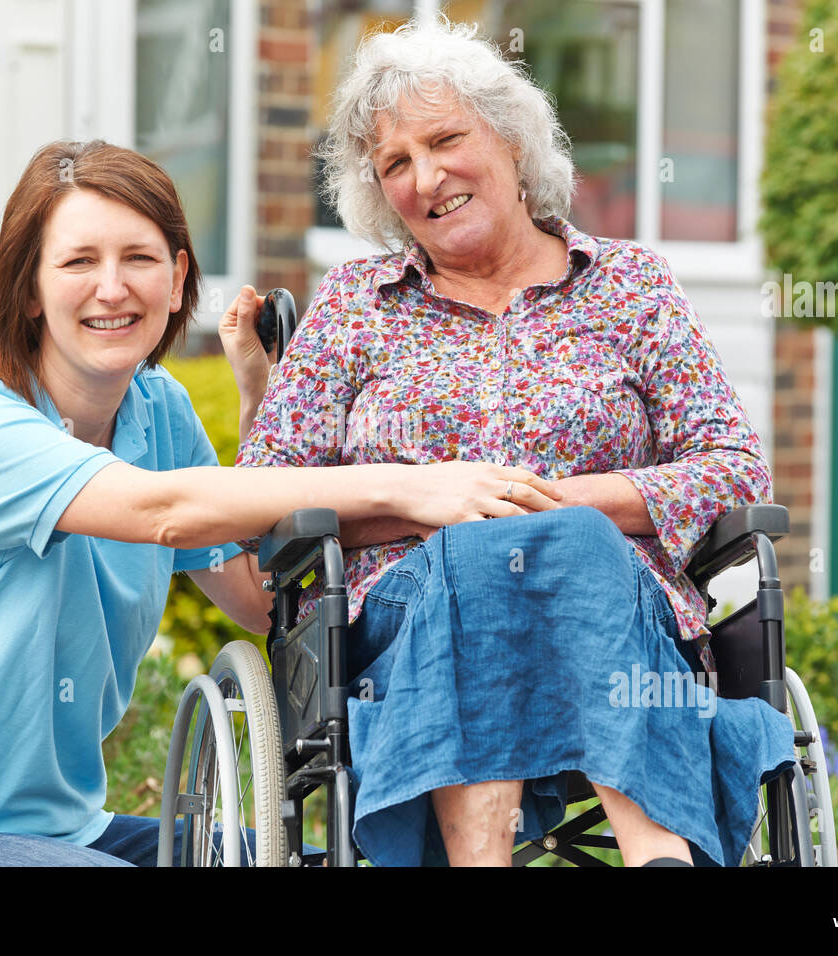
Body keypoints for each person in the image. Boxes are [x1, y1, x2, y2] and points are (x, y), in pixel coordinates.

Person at [0, 139, 559, 867]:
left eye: (138, 259)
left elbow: (262, 602)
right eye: (77, 261)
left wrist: (264, 404)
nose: (113, 287)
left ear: (176, 281)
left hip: (67, 831)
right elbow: (160, 510)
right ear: (28, 290)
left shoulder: (156, 412)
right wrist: (410, 483)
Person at [228, 18, 798, 867]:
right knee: (479, 553)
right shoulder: (353, 305)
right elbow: (266, 507)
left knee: (549, 537)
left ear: (511, 139)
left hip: (614, 616)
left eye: (447, 139)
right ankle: (658, 852)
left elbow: (732, 467)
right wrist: (431, 510)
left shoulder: (630, 286)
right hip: (400, 621)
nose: (426, 178)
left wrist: (564, 506)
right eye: (395, 165)